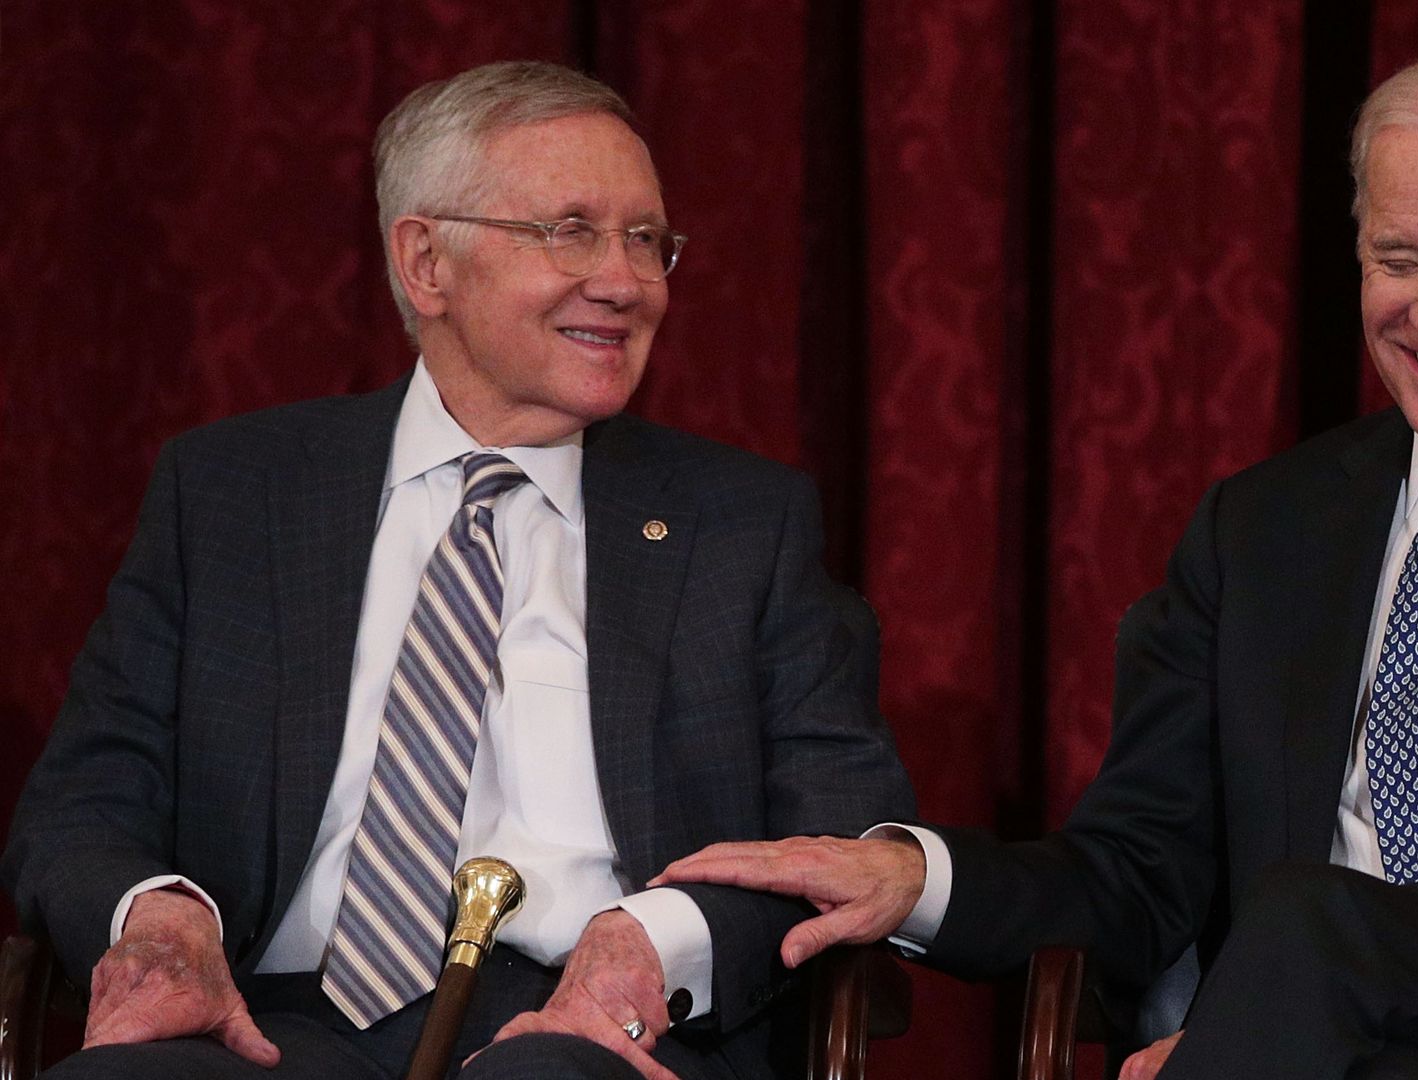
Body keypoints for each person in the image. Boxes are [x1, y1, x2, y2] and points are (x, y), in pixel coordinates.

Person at [655, 51, 1418, 1080]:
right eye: (1398, 256)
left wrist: (1304, 988)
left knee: (1314, 932)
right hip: (1324, 1052)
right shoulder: (1266, 528)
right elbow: (1138, 873)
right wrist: (920, 879)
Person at [1, 60, 912, 1080]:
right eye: (570, 229)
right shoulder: (232, 493)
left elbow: (837, 831)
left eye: (646, 239)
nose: (624, 280)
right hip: (264, 1024)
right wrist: (158, 919)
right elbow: (83, 800)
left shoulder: (743, 521)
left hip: (587, 1026)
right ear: (427, 260)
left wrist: (656, 941)